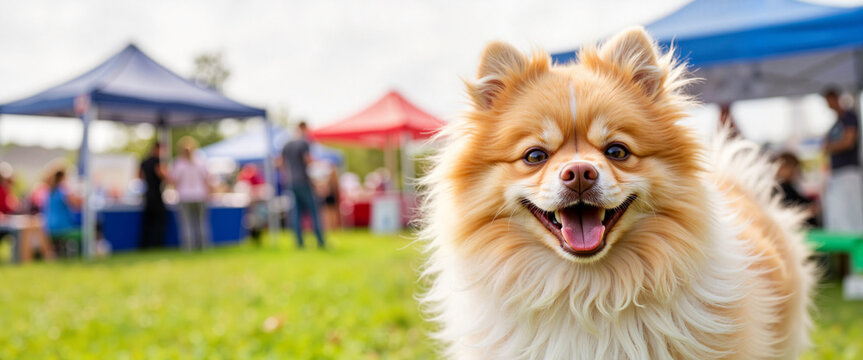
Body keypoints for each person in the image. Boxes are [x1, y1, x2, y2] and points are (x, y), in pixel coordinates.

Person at [822, 88, 863, 234]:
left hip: (849, 172)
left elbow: (848, 142)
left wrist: (830, 146)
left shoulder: (849, 117)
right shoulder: (836, 123)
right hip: (837, 174)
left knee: (853, 214)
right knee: (839, 215)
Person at [279, 122, 325, 249]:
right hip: (304, 181)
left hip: (291, 182)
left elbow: (280, 163)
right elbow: (308, 161)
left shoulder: (286, 144)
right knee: (314, 212)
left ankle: (299, 243)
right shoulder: (304, 143)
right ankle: (320, 241)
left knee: (296, 214)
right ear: (303, 129)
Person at [171, 137, 211, 251]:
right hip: (200, 195)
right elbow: (207, 179)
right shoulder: (201, 161)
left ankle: (188, 247)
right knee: (201, 222)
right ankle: (204, 246)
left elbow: (174, 181)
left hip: (185, 196)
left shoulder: (179, 163)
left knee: (186, 223)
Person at [44, 169, 82, 257]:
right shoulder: (63, 191)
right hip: (62, 226)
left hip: (48, 227)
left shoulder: (50, 191)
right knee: (88, 231)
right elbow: (77, 205)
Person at [139, 142, 168, 249]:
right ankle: (157, 245)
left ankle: (144, 245)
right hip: (156, 195)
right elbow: (163, 176)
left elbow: (140, 176)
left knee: (147, 223)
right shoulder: (158, 162)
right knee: (159, 222)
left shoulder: (144, 161)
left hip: (148, 195)